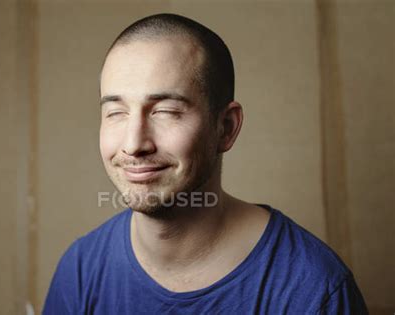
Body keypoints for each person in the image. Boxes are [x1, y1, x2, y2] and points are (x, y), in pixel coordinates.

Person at [43, 13, 367, 314]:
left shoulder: (312, 289)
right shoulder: (81, 269)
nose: (133, 144)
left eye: (165, 111)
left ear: (225, 127)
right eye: (116, 113)